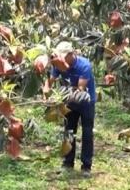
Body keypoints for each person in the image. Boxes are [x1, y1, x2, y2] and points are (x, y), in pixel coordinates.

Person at [43, 41, 96, 178]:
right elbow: (50, 80)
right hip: (69, 102)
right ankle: (67, 163)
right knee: (69, 131)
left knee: (87, 133)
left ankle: (86, 166)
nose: (61, 59)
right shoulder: (59, 64)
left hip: (86, 102)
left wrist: (60, 97)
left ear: (71, 55)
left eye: (63, 57)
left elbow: (80, 90)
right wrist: (46, 90)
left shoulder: (84, 66)